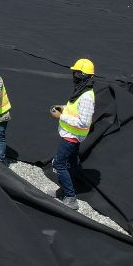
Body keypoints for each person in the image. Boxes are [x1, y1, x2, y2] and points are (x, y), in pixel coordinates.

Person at [50, 58, 96, 210]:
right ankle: (64, 190)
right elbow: (74, 109)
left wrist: (60, 116)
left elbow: (84, 122)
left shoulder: (87, 97)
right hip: (68, 133)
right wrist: (62, 108)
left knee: (59, 163)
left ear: (83, 75)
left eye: (76, 73)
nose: (73, 75)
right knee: (70, 164)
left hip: (72, 137)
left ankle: (71, 198)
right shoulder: (80, 91)